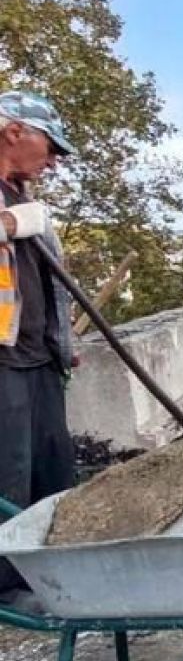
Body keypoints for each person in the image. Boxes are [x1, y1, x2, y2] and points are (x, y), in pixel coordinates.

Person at [0, 90, 77, 599]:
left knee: (53, 471)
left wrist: (62, 339)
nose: (52, 161)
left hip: (40, 356)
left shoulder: (21, 198)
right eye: (50, 147)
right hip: (2, 358)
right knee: (9, 472)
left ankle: (53, 572)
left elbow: (46, 282)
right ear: (13, 132)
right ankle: (7, 585)